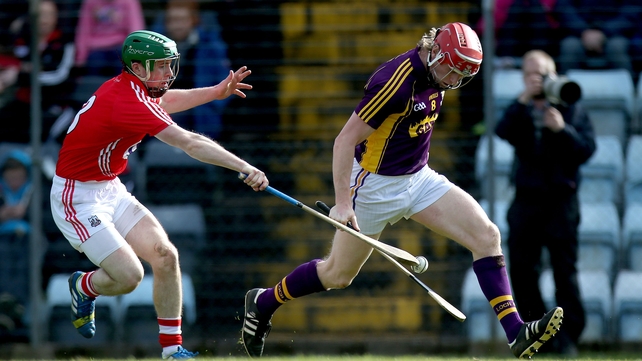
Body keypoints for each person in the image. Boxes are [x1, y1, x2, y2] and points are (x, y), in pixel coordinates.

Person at [241, 22, 564, 359]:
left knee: (487, 236)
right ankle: (263, 302)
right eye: (451, 71)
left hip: (419, 179)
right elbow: (344, 141)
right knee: (337, 274)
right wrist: (342, 203)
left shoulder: (438, 72)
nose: (453, 81)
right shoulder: (394, 83)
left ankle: (516, 332)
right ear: (436, 52)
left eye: (461, 76)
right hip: (373, 186)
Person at [49, 30, 269, 359]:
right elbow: (190, 143)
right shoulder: (125, 100)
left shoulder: (136, 90)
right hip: (76, 199)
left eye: (170, 65)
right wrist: (244, 167)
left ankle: (172, 350)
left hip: (110, 188)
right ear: (138, 68)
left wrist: (215, 92)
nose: (169, 73)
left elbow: (165, 101)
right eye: (162, 66)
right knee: (129, 277)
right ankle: (84, 286)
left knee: (166, 256)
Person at [495, 49, 594, 356]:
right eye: (530, 74)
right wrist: (524, 98)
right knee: (523, 271)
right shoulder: (521, 109)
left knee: (565, 272)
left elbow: (586, 150)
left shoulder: (570, 104)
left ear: (554, 74)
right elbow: (503, 131)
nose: (536, 80)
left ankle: (569, 338)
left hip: (561, 202)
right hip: (526, 200)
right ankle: (536, 333)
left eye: (542, 74)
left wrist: (561, 130)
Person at [151, 0, 231, 140]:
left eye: (182, 20)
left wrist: (210, 106)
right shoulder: (152, 51)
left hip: (199, 114)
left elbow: (225, 82)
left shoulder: (211, 48)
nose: (177, 25)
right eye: (172, 20)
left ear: (193, 21)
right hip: (162, 110)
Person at [0, 0, 76, 144]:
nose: (44, 19)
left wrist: (21, 76)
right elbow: (11, 61)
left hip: (53, 105)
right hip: (23, 104)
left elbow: (59, 76)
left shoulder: (64, 43)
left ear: (56, 17)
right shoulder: (24, 39)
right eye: (40, 15)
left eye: (48, 15)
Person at [554, 0, 638, 77]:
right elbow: (563, 7)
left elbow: (631, 11)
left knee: (617, 48)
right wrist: (583, 31)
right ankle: (566, 89)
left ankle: (631, 90)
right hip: (578, 33)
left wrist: (605, 32)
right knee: (569, 46)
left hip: (615, 34)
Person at [74, 0, 145, 77]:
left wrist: (137, 54)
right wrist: (80, 57)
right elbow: (84, 30)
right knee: (93, 66)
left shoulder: (129, 2)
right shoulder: (90, 2)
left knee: (124, 65)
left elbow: (135, 28)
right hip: (96, 48)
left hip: (121, 46)